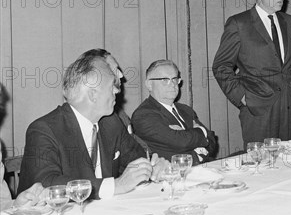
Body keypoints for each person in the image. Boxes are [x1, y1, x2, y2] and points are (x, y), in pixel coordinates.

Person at [18, 54, 166, 199]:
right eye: (111, 86)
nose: (117, 90)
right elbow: (47, 184)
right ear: (93, 95)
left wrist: (152, 167)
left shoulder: (111, 123)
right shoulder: (44, 130)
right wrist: (116, 185)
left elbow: (136, 159)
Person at [213, 0, 291, 145]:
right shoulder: (239, 23)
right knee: (261, 165)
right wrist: (243, 97)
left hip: (290, 105)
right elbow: (221, 66)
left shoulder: (288, 22)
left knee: (287, 163)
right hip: (258, 108)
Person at [132, 60, 217, 162]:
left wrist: (187, 134)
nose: (172, 84)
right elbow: (181, 142)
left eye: (175, 79)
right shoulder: (143, 115)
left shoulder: (185, 109)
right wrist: (201, 131)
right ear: (149, 84)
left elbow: (212, 141)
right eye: (165, 80)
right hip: (172, 174)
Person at [78, 48, 150, 152]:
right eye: (115, 70)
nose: (121, 75)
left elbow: (135, 144)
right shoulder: (88, 119)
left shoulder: (119, 114)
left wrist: (150, 158)